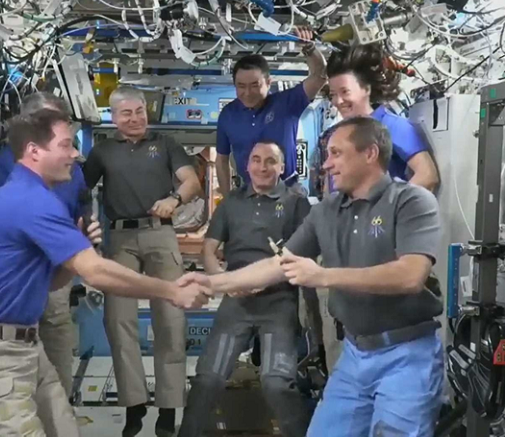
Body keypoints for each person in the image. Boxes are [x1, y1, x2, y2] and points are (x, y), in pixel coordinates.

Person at [0, 109, 210, 437]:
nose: (76, 154)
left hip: (24, 347)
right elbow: (96, 272)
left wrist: (74, 250)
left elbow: (53, 282)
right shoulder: (29, 200)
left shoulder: (33, 194)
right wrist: (172, 290)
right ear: (34, 151)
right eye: (66, 145)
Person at [183, 117, 444, 437]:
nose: (327, 164)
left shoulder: (411, 201)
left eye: (336, 153)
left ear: (370, 153)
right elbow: (279, 264)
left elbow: (410, 275)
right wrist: (212, 283)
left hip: (406, 355)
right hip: (355, 355)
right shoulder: (326, 210)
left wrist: (323, 276)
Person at [83, 86, 202, 437]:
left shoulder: (165, 144)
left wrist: (174, 199)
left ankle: (168, 407)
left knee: (170, 318)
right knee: (118, 319)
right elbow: (78, 189)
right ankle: (133, 404)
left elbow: (191, 181)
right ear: (114, 117)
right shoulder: (102, 151)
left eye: (139, 111)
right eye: (126, 113)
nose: (135, 118)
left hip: (159, 233)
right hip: (119, 239)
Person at [178, 141, 312, 437]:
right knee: (207, 380)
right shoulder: (231, 203)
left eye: (270, 161)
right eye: (256, 160)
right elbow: (209, 250)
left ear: (282, 167)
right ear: (247, 166)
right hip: (236, 302)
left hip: (279, 302)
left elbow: (302, 255)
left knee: (277, 383)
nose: (262, 167)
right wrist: (223, 281)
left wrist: (263, 279)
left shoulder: (296, 203)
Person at [0, 92, 84, 397]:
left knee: (57, 332)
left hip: (56, 268)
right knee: (15, 346)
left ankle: (61, 400)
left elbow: (81, 208)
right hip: (16, 278)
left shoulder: (71, 170)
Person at [315, 44, 439, 196]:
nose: (338, 101)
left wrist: (388, 205)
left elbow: (427, 175)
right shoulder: (337, 133)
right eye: (333, 94)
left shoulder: (393, 126)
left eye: (345, 91)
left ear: (367, 89)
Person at [215, 27, 327, 196]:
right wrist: (227, 199)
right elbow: (221, 159)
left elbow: (320, 76)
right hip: (250, 195)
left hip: (288, 192)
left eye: (255, 85)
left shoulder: (287, 103)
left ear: (268, 83)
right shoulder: (228, 115)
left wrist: (309, 48)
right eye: (241, 86)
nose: (247, 93)